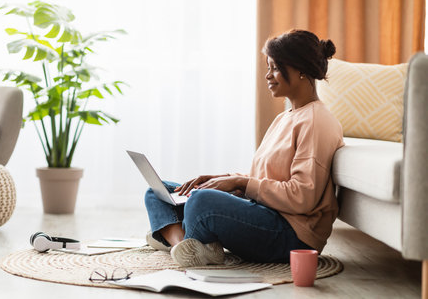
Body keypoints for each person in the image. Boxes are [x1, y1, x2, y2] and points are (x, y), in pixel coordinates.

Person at [144, 29, 344, 267]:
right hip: (265, 213)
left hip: (292, 236)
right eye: (268, 68)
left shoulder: (316, 121)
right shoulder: (286, 117)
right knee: (159, 191)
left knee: (201, 200)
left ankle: (176, 236)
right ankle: (184, 247)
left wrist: (240, 184)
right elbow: (264, 179)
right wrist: (224, 179)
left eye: (276, 68)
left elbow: (302, 197)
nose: (268, 76)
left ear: (301, 70)